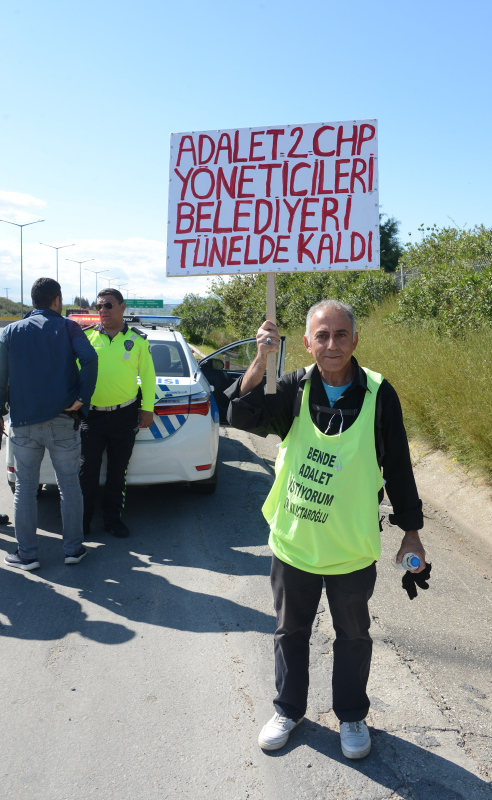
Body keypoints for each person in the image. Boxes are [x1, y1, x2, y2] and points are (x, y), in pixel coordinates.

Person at [225, 299, 425, 759]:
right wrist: (261, 360)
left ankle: (351, 716)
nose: (331, 344)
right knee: (289, 631)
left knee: (353, 636)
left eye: (340, 335)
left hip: (350, 547)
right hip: (295, 543)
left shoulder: (379, 394)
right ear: (306, 342)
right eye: (322, 336)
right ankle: (288, 709)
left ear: (355, 340)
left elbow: (398, 466)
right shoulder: (293, 387)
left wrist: (411, 531)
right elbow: (240, 415)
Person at [0, 277, 98, 570]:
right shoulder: (69, 327)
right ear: (57, 300)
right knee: (69, 486)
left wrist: (0, 412)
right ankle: (73, 550)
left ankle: (27, 555)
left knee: (25, 489)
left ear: (33, 301)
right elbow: (90, 359)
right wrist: (82, 398)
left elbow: (1, 377)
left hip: (23, 423)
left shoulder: (10, 332)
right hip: (63, 421)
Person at [79, 288, 156, 539]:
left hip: (124, 415)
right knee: (87, 471)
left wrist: (147, 408)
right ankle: (82, 522)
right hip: (92, 417)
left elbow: (148, 377)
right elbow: (73, 374)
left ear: (122, 307)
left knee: (118, 471)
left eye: (108, 305)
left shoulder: (138, 340)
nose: (103, 310)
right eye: (99, 306)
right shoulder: (86, 337)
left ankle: (112, 520)